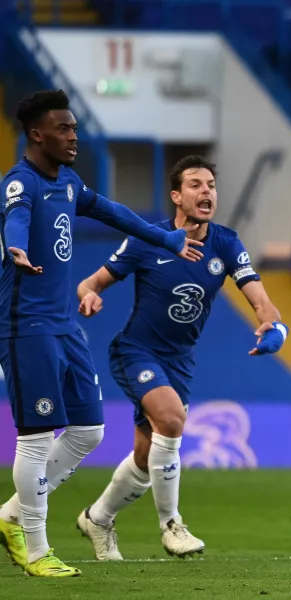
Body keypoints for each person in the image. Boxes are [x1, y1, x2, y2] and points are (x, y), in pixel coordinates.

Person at [0, 89, 203, 577]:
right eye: (64, 129)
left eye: (74, 127)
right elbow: (16, 217)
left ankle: (9, 515)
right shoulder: (20, 184)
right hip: (26, 328)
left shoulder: (67, 182)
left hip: (64, 325)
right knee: (34, 438)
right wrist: (15, 247)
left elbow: (114, 213)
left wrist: (168, 238)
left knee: (89, 430)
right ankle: (35, 548)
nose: (74, 136)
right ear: (37, 135)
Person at [70, 155, 287, 560]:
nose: (206, 192)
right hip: (136, 351)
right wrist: (89, 295)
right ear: (176, 195)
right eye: (195, 185)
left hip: (180, 361)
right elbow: (90, 282)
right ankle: (172, 526)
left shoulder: (225, 242)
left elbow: (259, 296)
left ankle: (97, 518)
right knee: (171, 419)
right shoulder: (145, 239)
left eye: (211, 185)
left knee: (145, 455)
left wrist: (274, 327)